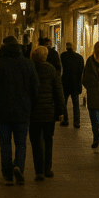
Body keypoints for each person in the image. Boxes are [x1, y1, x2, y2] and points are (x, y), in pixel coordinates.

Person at [0, 35, 39, 185]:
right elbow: (35, 88)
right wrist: (31, 104)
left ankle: (7, 175)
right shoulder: (28, 64)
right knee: (21, 143)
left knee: (5, 143)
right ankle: (19, 166)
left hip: (2, 110)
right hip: (23, 109)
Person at [30, 45, 63, 180]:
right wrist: (61, 111)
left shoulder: (30, 69)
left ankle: (39, 171)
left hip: (33, 112)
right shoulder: (51, 69)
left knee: (36, 141)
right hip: (49, 111)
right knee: (48, 140)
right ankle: (47, 168)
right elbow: (58, 91)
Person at [60, 42, 84, 128]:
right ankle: (76, 121)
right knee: (76, 103)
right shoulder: (79, 58)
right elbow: (81, 71)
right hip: (75, 82)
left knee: (64, 102)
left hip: (65, 82)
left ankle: (65, 119)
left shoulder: (63, 56)